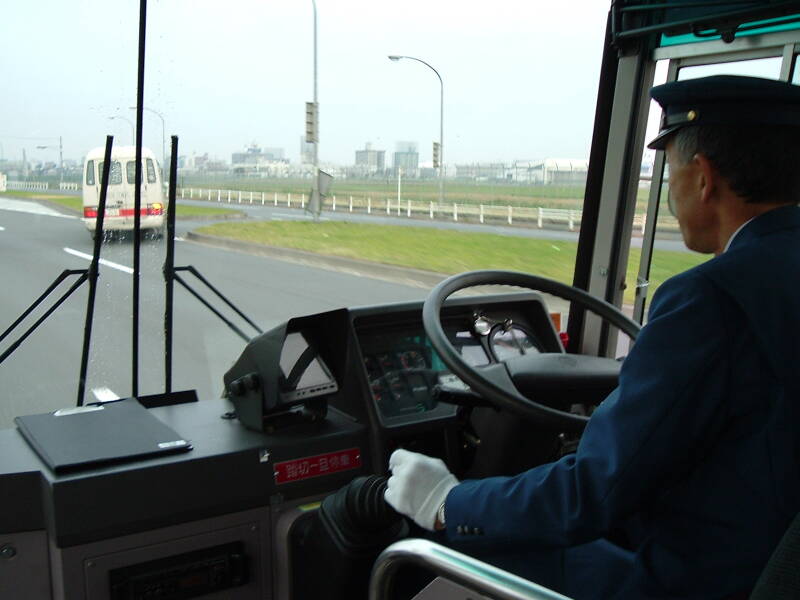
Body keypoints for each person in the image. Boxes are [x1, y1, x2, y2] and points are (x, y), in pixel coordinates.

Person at [384, 75, 800, 599]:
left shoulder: (708, 301)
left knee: (435, 549)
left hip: (694, 579)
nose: (669, 190)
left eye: (669, 173)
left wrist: (447, 502)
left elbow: (594, 491)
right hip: (771, 558)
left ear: (702, 177)